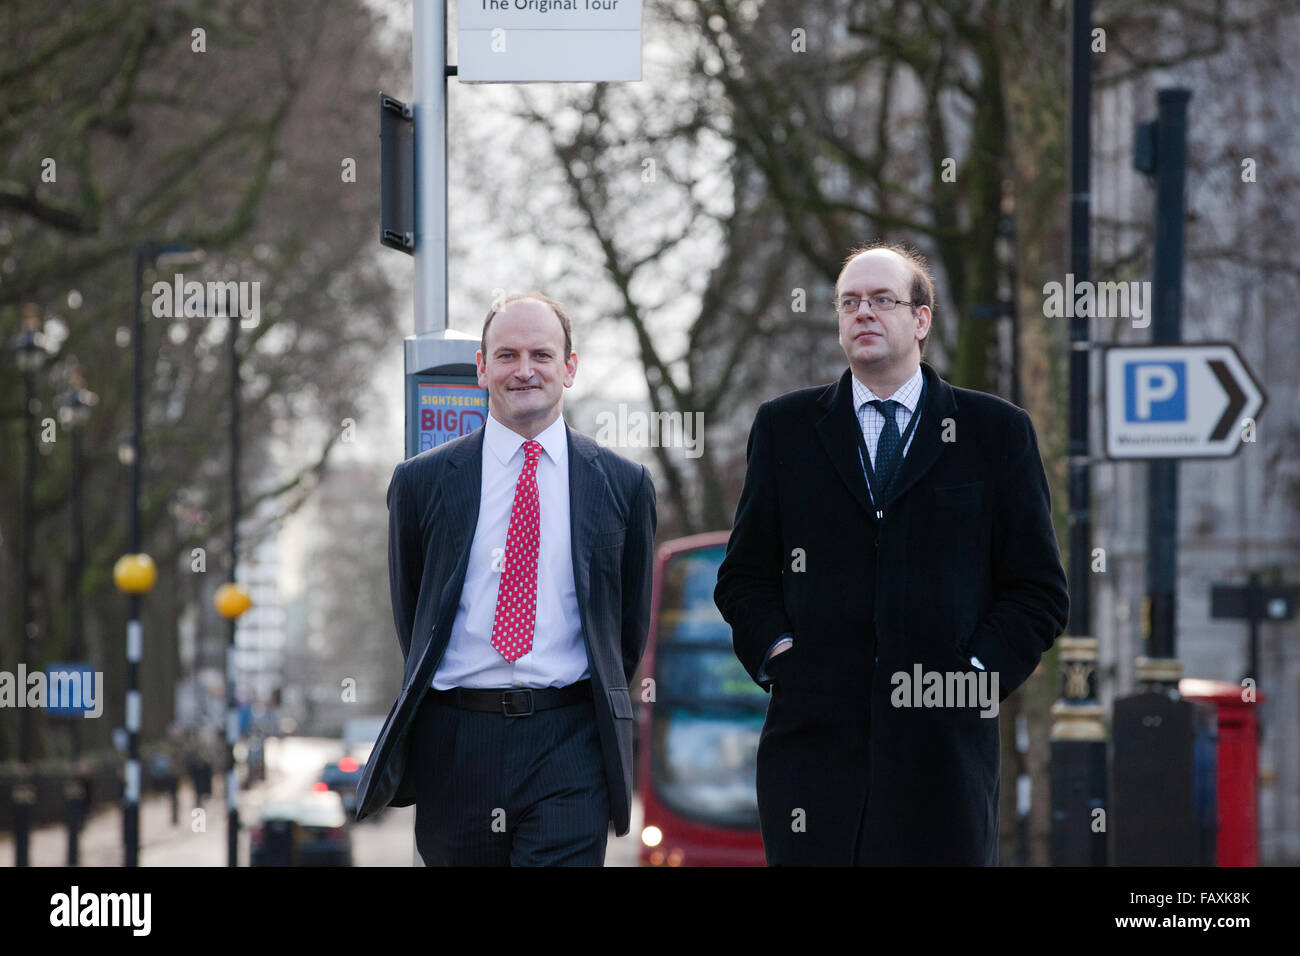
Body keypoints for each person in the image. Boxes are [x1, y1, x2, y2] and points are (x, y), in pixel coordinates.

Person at [714, 243, 1068, 865]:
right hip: (815, 759)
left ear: (921, 320)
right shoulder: (785, 429)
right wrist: (784, 658)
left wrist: (975, 675)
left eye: (882, 300)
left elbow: (1036, 590)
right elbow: (744, 576)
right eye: (850, 303)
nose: (863, 313)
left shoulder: (994, 432)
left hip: (944, 758)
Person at [354, 292, 657, 866]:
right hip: (458, 743)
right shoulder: (421, 485)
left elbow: (625, 629)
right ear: (481, 369)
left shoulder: (622, 484)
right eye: (507, 355)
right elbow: (414, 614)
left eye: (542, 355)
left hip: (569, 743)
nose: (524, 371)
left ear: (570, 367)